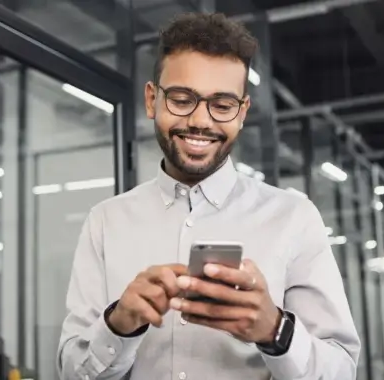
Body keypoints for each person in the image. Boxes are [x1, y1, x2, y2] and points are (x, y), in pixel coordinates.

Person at [57, 12, 360, 380]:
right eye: (182, 99)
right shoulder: (105, 221)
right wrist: (119, 324)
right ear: (152, 100)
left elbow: (342, 369)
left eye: (222, 105)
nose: (201, 120)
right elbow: (73, 372)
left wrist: (275, 331)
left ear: (242, 112)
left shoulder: (294, 217)